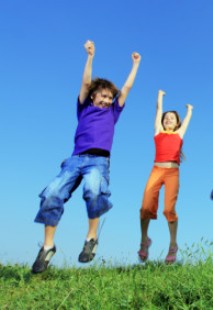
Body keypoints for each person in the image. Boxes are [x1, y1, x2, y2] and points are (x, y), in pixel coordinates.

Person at [32, 40, 141, 273]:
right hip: (75, 160)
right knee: (52, 194)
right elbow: (85, 82)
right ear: (93, 97)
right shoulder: (84, 108)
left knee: (93, 191)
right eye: (102, 96)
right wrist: (90, 57)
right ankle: (48, 247)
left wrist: (135, 65)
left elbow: (127, 89)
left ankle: (91, 239)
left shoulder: (113, 112)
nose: (106, 100)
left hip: (98, 162)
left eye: (109, 97)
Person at [138, 90, 193, 264]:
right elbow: (158, 110)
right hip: (156, 170)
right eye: (166, 117)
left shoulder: (179, 134)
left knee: (169, 209)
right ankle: (144, 241)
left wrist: (189, 110)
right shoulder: (158, 132)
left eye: (172, 117)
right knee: (146, 206)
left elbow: (187, 121)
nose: (168, 118)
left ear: (177, 123)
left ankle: (172, 245)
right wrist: (160, 97)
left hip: (172, 173)